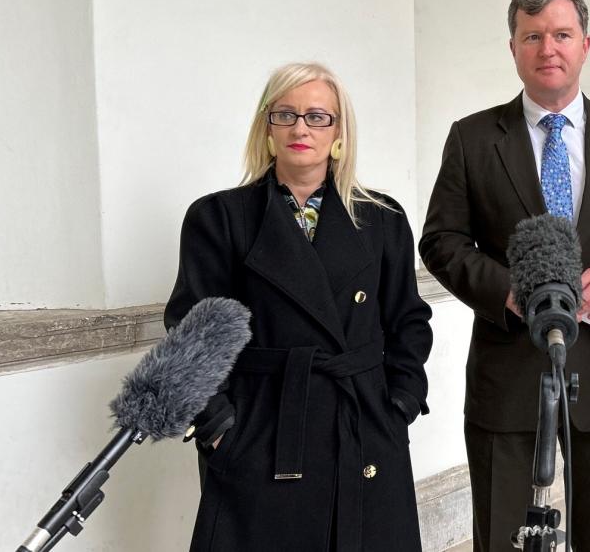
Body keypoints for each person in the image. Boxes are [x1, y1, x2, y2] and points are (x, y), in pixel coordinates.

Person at [418, 0, 590, 552]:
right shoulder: (471, 139)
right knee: (504, 540)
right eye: (532, 36)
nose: (548, 49)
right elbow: (441, 241)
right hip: (507, 373)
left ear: (585, 45)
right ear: (513, 47)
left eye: (562, 34)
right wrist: (509, 292)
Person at [165, 62, 433, 551]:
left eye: (317, 116)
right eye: (285, 115)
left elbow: (408, 319)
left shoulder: (382, 218)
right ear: (267, 127)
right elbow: (192, 336)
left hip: (364, 423)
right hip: (262, 429)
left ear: (338, 132)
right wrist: (219, 426)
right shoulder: (219, 217)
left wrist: (402, 400)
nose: (300, 129)